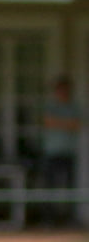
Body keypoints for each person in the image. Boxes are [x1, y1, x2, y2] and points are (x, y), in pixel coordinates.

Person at [40, 75, 82, 224]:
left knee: (69, 186)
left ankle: (68, 219)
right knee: (49, 185)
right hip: (51, 152)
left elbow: (77, 124)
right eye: (60, 90)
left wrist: (59, 123)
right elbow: (47, 121)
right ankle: (48, 219)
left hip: (68, 152)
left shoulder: (73, 106)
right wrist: (66, 124)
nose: (63, 92)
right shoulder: (51, 105)